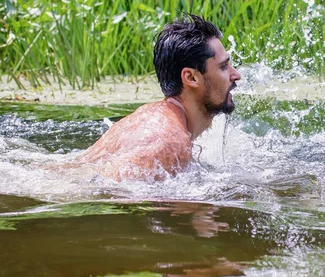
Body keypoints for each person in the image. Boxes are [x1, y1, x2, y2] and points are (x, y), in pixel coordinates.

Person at [75, 14, 241, 181]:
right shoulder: (168, 144)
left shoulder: (153, 118)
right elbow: (112, 193)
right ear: (191, 78)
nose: (236, 75)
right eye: (223, 66)